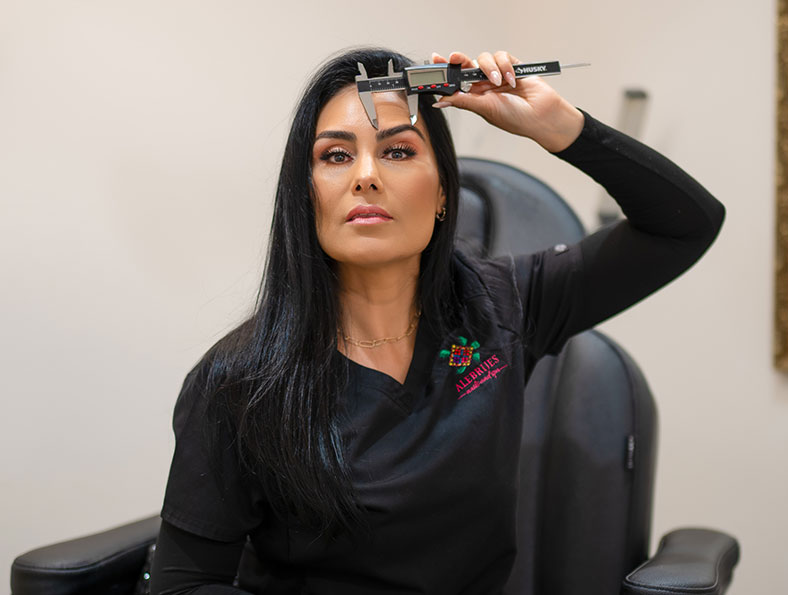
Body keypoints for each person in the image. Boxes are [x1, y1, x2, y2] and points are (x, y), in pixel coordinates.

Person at [150, 47, 724, 594]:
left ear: (445, 189)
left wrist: (560, 127)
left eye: (398, 151)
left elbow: (686, 225)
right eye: (336, 155)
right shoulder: (239, 380)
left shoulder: (503, 306)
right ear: (307, 195)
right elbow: (182, 584)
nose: (366, 175)